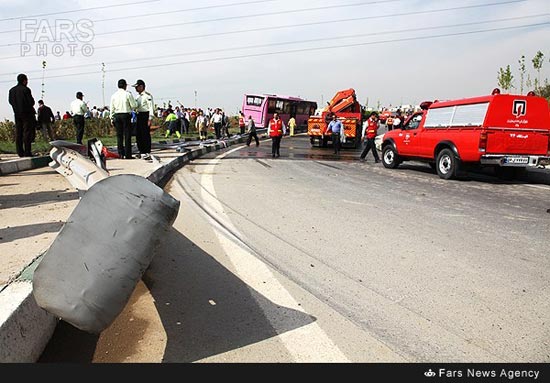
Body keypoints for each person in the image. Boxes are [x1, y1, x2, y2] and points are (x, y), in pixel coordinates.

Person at [8, 73, 36, 157]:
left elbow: (10, 101)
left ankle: (20, 152)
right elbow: (31, 102)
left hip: (17, 113)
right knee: (27, 133)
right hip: (27, 114)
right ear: (24, 81)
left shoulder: (12, 90)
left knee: (18, 132)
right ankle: (27, 151)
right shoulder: (26, 89)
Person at [110, 79, 138, 159]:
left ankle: (120, 154)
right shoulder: (128, 94)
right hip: (126, 115)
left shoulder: (114, 95)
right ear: (125, 85)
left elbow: (112, 108)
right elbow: (133, 105)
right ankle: (128, 154)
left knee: (119, 135)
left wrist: (111, 118)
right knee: (127, 135)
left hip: (117, 115)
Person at [133, 79, 154, 161]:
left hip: (145, 115)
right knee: (139, 134)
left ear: (141, 87)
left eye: (137, 87)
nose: (136, 89)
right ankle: (141, 151)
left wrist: (150, 118)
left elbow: (151, 107)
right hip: (139, 115)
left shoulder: (147, 96)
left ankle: (147, 151)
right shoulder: (137, 97)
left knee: (145, 134)